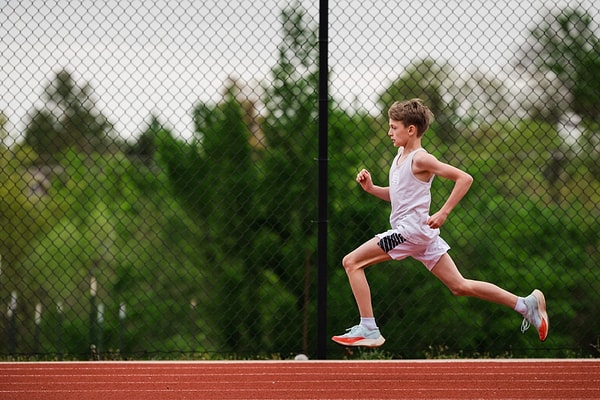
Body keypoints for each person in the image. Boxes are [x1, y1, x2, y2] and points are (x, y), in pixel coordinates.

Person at [332, 98, 549, 348]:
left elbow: (464, 178)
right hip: (421, 235)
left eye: (393, 127)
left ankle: (369, 328)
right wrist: (372, 189)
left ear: (410, 129)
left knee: (351, 262)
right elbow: (400, 193)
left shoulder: (421, 159)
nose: (389, 132)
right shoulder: (401, 155)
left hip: (409, 233)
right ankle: (525, 304)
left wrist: (444, 212)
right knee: (459, 286)